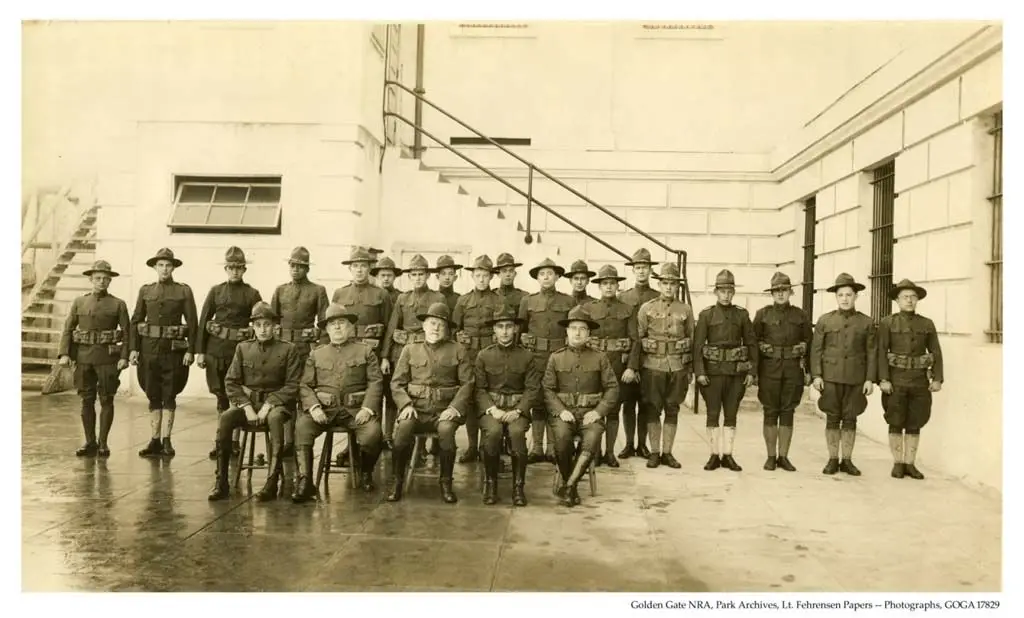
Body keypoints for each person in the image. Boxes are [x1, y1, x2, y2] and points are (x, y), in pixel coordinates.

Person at [208, 302, 303, 502]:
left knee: (276, 420)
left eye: (267, 325)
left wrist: (269, 404)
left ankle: (271, 482)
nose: (262, 329)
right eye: (258, 325)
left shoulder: (288, 349)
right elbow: (231, 382)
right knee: (225, 419)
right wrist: (247, 407)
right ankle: (221, 482)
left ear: (275, 326)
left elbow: (293, 385)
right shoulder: (243, 348)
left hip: (277, 406)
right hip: (249, 406)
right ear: (252, 326)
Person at [292, 304, 384, 502]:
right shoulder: (317, 353)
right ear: (326, 329)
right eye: (332, 324)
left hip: (355, 411)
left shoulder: (365, 351)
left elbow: (376, 382)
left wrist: (367, 408)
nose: (337, 328)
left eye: (342, 323)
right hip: (325, 410)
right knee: (301, 427)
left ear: (350, 327)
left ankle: (366, 472)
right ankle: (305, 480)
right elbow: (305, 385)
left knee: (373, 434)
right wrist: (314, 407)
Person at [386, 302, 474, 504]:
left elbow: (467, 384)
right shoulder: (410, 349)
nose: (436, 328)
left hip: (444, 412)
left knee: (445, 434)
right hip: (416, 410)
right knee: (401, 434)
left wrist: (453, 408)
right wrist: (406, 405)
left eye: (441, 324)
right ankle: (397, 482)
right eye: (432, 323)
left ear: (447, 328)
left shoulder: (458, 350)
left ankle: (446, 482)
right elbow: (397, 383)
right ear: (424, 325)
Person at [543, 306, 619, 507]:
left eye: (582, 329)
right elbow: (548, 390)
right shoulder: (556, 357)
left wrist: (598, 412)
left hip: (589, 415)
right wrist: (560, 411)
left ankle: (568, 486)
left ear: (588, 333)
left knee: (592, 437)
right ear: (566, 332)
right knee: (561, 437)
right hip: (564, 414)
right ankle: (572, 486)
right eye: (573, 328)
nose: (577, 332)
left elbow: (612, 388)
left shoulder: (600, 357)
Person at [129, 248, 198, 457]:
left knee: (169, 394)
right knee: (152, 394)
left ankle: (167, 440)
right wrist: (134, 348)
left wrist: (191, 350)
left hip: (174, 352)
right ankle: (154, 439)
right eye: (161, 265)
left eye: (168, 265)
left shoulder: (183, 291)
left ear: (173, 267)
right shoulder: (145, 290)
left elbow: (193, 323)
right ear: (154, 267)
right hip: (148, 351)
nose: (165, 269)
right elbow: (135, 321)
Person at [58, 260, 130, 458]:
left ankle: (103, 443)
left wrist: (124, 357)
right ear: (91, 279)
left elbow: (127, 333)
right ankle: (89, 441)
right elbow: (68, 328)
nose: (102, 282)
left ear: (110, 281)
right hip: (83, 358)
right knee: (86, 400)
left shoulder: (118, 304)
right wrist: (64, 353)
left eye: (106, 279)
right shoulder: (79, 302)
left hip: (108, 359)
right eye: (98, 278)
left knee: (107, 399)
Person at [197, 246, 263, 459]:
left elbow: (259, 324)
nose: (235, 271)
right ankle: (221, 440)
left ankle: (234, 443)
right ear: (226, 269)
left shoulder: (252, 294)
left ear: (244, 270)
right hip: (216, 351)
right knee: (220, 397)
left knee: (237, 396)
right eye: (231, 268)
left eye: (239, 268)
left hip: (240, 353)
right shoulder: (216, 291)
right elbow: (204, 321)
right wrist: (200, 351)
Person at [331, 247, 393, 465]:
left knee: (371, 398)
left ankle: (368, 445)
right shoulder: (340, 294)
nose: (359, 270)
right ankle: (351, 447)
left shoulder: (381, 294)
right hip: (347, 354)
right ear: (350, 268)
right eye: (355, 266)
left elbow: (389, 329)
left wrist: (385, 356)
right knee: (350, 396)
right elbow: (333, 327)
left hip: (372, 355)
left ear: (370, 268)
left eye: (363, 266)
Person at [810, 273, 877, 476]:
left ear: (856, 296)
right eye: (841, 295)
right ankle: (832, 459)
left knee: (850, 418)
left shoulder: (866, 322)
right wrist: (817, 375)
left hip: (856, 379)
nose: (845, 299)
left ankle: (847, 460)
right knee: (832, 418)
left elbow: (872, 352)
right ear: (836, 297)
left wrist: (869, 379)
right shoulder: (825, 320)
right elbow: (816, 350)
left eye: (849, 294)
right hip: (830, 378)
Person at [382, 254, 445, 467]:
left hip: (429, 348)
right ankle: (409, 447)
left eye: (421, 274)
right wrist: (385, 356)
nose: (417, 278)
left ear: (428, 275)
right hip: (403, 351)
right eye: (414, 275)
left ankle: (427, 444)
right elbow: (393, 327)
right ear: (409, 277)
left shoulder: (437, 298)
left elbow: (443, 328)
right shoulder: (402, 298)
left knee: (427, 389)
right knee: (406, 392)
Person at [877, 279, 944, 480]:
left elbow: (936, 352)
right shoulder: (888, 322)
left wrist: (937, 378)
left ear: (918, 300)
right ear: (897, 300)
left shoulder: (926, 323)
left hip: (919, 381)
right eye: (905, 297)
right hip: (896, 380)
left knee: (915, 421)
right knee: (895, 420)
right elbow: (880, 352)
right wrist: (883, 378)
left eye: (913, 297)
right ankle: (898, 463)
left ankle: (910, 463)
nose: (909, 300)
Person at [474, 307, 541, 506]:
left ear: (516, 329)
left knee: (517, 433)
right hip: (491, 410)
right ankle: (491, 484)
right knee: (493, 433)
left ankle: (518, 487)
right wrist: (492, 409)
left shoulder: (527, 356)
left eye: (509, 327)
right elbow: (479, 389)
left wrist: (518, 411)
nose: (504, 331)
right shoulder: (483, 356)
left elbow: (532, 389)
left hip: (516, 410)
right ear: (494, 330)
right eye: (500, 327)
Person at [694, 269, 758, 472]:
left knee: (731, 414)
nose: (726, 295)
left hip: (735, 374)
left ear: (733, 292)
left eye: (730, 290)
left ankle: (728, 455)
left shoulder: (741, 314)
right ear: (716, 292)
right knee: (712, 413)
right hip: (712, 373)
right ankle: (713, 455)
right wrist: (700, 372)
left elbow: (751, 344)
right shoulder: (706, 315)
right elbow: (697, 346)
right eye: (722, 291)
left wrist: (751, 372)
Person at [631, 263, 693, 469]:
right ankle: (655, 452)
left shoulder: (685, 310)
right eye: (665, 283)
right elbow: (638, 341)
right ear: (659, 284)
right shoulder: (646, 308)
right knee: (652, 408)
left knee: (672, 409)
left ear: (677, 286)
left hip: (677, 367)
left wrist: (689, 370)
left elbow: (691, 339)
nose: (668, 287)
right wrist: (637, 368)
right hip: (652, 367)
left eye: (672, 284)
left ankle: (668, 452)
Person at [270, 246, 329, 458]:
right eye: (292, 265)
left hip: (305, 350)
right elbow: (272, 321)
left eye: (300, 266)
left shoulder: (317, 291)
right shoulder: (280, 290)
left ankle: (299, 440)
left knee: (303, 392)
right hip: (283, 350)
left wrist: (320, 350)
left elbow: (324, 324)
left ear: (307, 269)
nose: (295, 269)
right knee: (284, 393)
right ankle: (285, 441)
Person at [752, 272, 812, 471]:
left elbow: (809, 343)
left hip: (792, 370)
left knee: (788, 411)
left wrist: (809, 371)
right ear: (772, 293)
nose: (780, 294)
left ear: (790, 292)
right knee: (770, 411)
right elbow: (754, 344)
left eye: (784, 290)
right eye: (776, 291)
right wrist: (754, 372)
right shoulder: (762, 315)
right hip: (769, 369)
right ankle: (770, 456)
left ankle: (784, 456)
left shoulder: (800, 315)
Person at [518, 257, 575, 464]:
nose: (546, 277)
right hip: (536, 358)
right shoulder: (528, 301)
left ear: (558, 276)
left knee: (556, 400)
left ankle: (552, 448)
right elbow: (521, 331)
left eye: (550, 273)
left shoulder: (568, 301)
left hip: (559, 357)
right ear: (537, 278)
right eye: (542, 274)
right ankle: (537, 447)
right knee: (538, 402)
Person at [582, 265, 635, 468]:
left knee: (613, 409)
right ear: (599, 286)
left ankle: (610, 452)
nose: (609, 287)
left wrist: (631, 366)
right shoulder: (588, 309)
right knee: (595, 407)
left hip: (617, 365)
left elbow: (635, 340)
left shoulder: (627, 310)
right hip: (594, 363)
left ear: (617, 285)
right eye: (605, 283)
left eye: (612, 283)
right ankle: (594, 452)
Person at [451, 255, 503, 463]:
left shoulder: (499, 301)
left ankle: (488, 448)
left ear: (491, 277)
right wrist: (460, 338)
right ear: (472, 276)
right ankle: (472, 446)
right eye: (478, 275)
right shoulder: (463, 301)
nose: (482, 279)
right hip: (470, 356)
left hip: (492, 356)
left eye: (485, 275)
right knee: (472, 402)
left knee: (491, 398)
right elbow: (455, 328)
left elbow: (504, 328)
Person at [617, 248, 660, 459]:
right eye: (638, 267)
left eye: (645, 267)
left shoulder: (658, 297)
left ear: (651, 270)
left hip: (651, 359)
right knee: (627, 402)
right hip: (629, 360)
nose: (641, 271)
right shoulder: (624, 297)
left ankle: (642, 445)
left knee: (646, 402)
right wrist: (630, 364)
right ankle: (628, 444)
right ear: (633, 270)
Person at [370, 255, 402, 448]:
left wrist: (388, 356)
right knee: (372, 393)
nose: (386, 279)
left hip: (391, 352)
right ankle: (374, 434)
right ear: (376, 276)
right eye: (382, 275)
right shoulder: (371, 294)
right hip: (371, 351)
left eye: (389, 275)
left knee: (390, 395)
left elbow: (395, 329)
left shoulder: (400, 297)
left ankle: (388, 435)